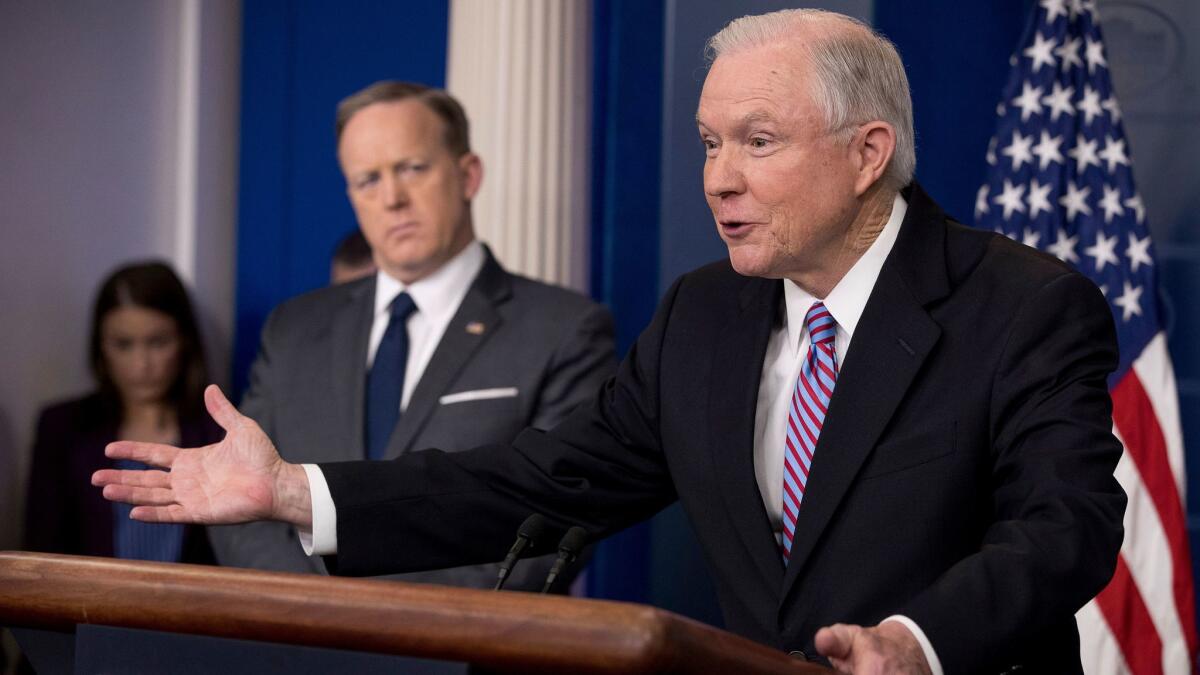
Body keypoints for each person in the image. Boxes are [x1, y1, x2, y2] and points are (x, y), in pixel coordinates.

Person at [96, 10, 1125, 673]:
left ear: (868, 154)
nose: (719, 177)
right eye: (709, 144)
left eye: (757, 143)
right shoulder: (702, 317)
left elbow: (1064, 528)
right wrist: (295, 494)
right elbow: (536, 483)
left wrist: (916, 644)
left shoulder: (1024, 305)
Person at [204, 81, 615, 593]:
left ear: (467, 175)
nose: (392, 198)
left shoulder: (563, 329)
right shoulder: (292, 329)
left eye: (412, 168)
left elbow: (553, 525)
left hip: (459, 656)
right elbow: (246, 508)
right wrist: (311, 618)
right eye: (368, 179)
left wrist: (390, 628)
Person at [26, 261, 218, 563]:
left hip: (195, 607)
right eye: (123, 344)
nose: (141, 364)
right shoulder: (63, 428)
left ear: (184, 341)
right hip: (82, 606)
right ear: (101, 346)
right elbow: (40, 552)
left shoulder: (217, 432)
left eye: (158, 342)